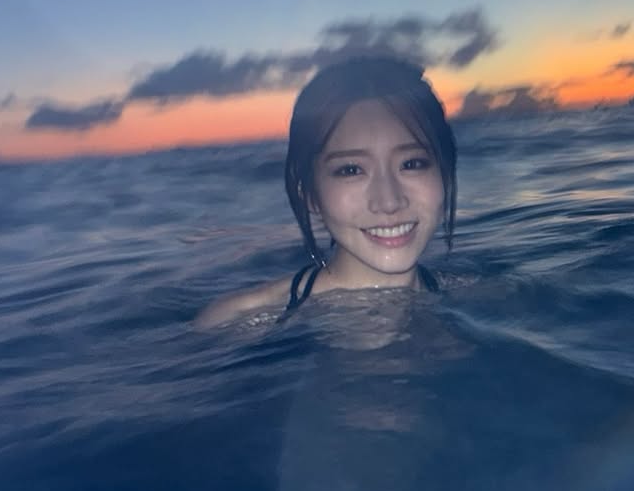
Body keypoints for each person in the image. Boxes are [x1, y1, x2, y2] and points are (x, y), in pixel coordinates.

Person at [193, 54, 457, 330]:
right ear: (308, 193)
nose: (389, 201)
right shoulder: (234, 323)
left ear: (446, 173)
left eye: (412, 164)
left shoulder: (473, 295)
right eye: (351, 170)